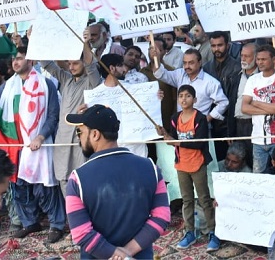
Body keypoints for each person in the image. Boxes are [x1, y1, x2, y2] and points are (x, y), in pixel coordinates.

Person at [0, 45, 66, 243]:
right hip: (14, 144)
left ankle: (56, 224)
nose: (15, 62)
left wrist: (40, 137)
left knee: (45, 186)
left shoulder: (46, 84)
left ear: (31, 60)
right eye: (14, 60)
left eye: (19, 58)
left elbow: (52, 116)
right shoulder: (9, 85)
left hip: (38, 143)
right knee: (19, 187)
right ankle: (30, 222)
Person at [65, 104, 170, 259]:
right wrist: (128, 252)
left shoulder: (77, 179)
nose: (78, 137)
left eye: (80, 131)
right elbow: (162, 217)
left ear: (95, 134)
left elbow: (81, 233)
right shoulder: (151, 168)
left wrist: (115, 254)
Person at [159, 85, 220, 252]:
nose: (184, 99)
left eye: (187, 96)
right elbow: (172, 139)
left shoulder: (199, 118)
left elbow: (199, 142)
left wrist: (176, 141)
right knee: (187, 200)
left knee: (204, 199)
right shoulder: (175, 118)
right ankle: (190, 232)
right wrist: (165, 135)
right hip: (181, 165)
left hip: (197, 164)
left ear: (195, 100)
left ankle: (212, 232)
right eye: (181, 96)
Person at [41, 40, 100, 194]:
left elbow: (90, 66)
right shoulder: (66, 79)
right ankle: (71, 215)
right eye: (69, 64)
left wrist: (85, 43)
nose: (71, 67)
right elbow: (47, 65)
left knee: (82, 180)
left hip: (80, 140)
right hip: (62, 139)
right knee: (63, 179)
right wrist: (37, 39)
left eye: (75, 63)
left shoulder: (92, 81)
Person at [242, 45, 275, 173]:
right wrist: (272, 108)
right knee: (259, 180)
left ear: (274, 59)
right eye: (258, 59)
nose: (260, 62)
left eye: (264, 59)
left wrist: (255, 102)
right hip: (258, 138)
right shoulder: (252, 80)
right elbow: (244, 108)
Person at [150, 47, 228, 129]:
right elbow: (160, 74)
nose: (187, 66)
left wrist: (207, 119)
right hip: (180, 126)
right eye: (185, 63)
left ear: (200, 62)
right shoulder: (180, 74)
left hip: (199, 127)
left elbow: (223, 103)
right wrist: (157, 59)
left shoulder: (210, 82)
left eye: (191, 63)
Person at [203, 31, 241, 160]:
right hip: (211, 123)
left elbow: (234, 99)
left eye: (220, 45)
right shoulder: (206, 68)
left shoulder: (237, 67)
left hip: (230, 123)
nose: (216, 49)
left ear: (228, 45)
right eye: (213, 46)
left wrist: (231, 130)